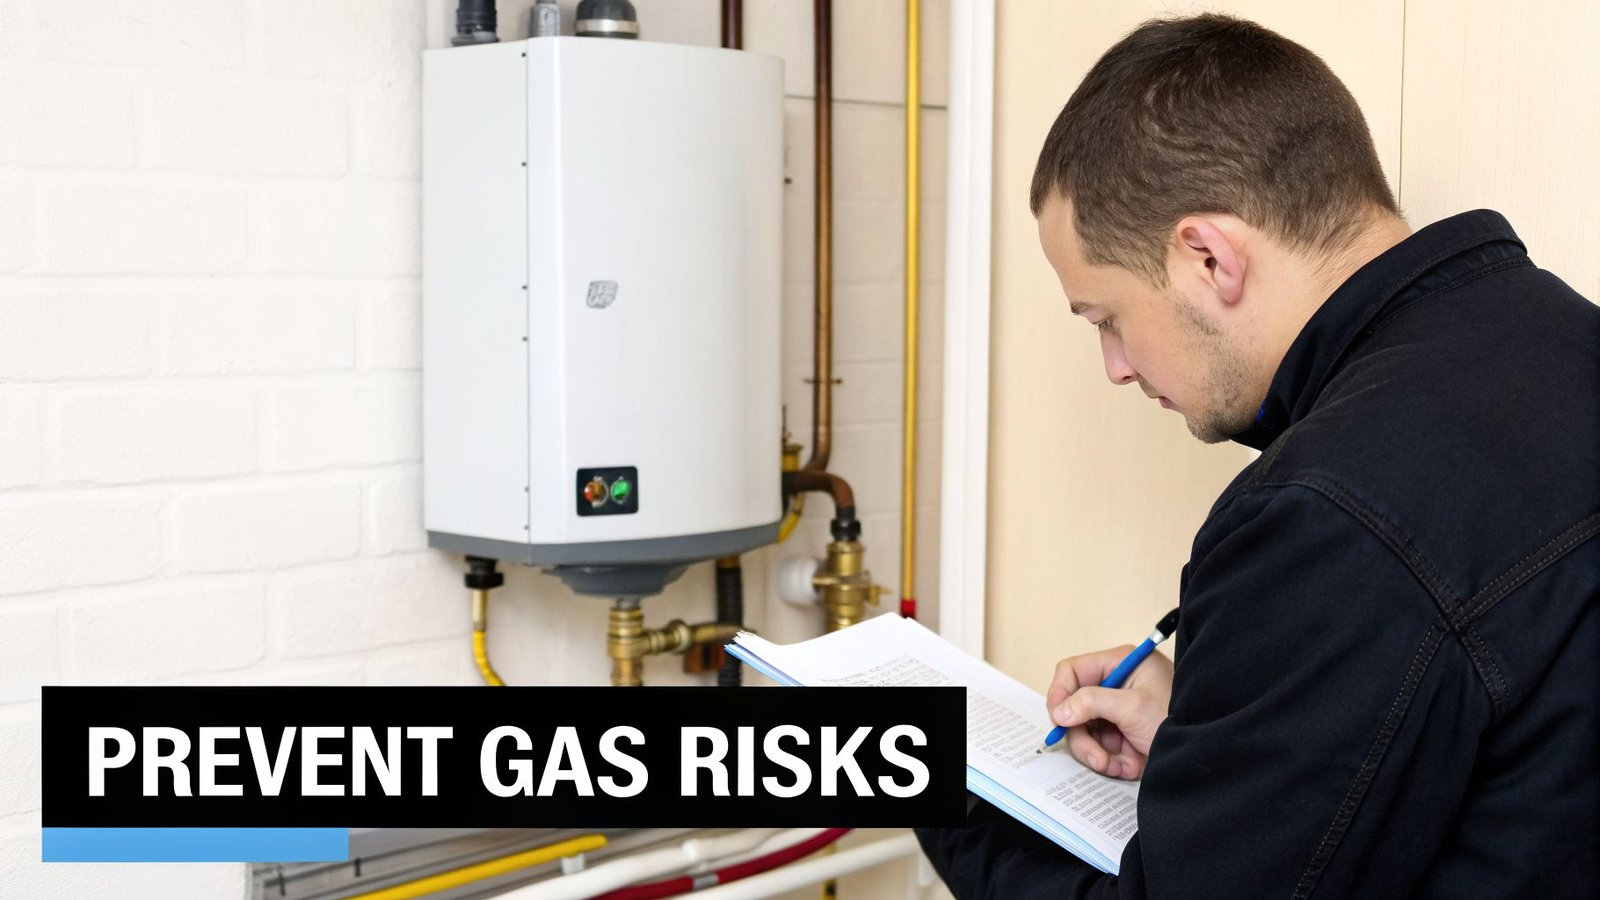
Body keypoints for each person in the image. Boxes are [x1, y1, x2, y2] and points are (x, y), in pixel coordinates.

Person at [916, 14, 1600, 898]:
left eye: (1107, 318)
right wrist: (1233, 738)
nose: (1117, 369)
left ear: (1207, 256)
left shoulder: (1328, 515)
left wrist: (927, 773)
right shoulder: (1560, 337)